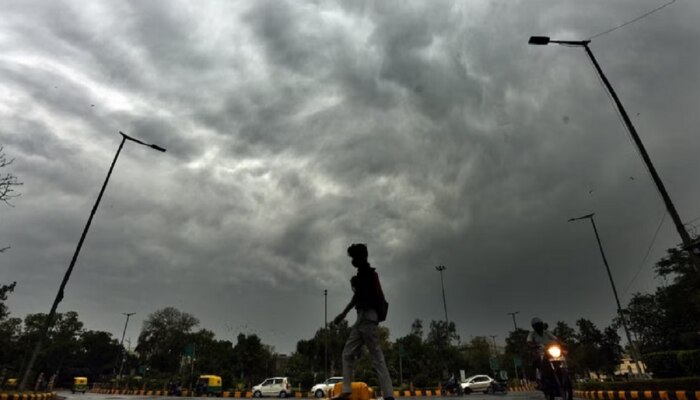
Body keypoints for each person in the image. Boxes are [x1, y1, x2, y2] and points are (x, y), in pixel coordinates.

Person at [332, 243, 394, 400]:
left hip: (366, 318)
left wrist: (343, 314)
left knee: (376, 357)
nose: (352, 261)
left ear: (361, 257)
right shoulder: (363, 275)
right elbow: (357, 298)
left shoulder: (367, 275)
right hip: (362, 320)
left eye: (354, 257)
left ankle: (388, 396)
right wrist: (343, 314)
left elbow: (359, 297)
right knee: (348, 353)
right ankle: (347, 390)